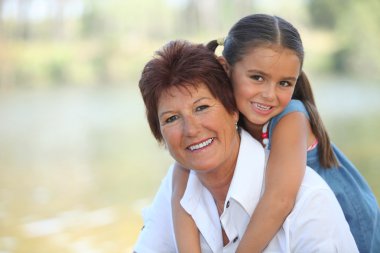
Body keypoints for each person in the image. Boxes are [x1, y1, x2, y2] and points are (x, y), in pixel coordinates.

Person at [171, 14, 380, 253]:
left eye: (284, 83)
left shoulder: (290, 116)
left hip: (349, 221)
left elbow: (279, 200)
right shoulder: (223, 114)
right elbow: (181, 189)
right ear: (225, 68)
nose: (270, 95)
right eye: (257, 78)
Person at [133, 39, 358, 252]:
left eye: (202, 107)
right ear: (159, 133)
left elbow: (281, 199)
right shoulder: (176, 187)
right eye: (171, 118)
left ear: (233, 109)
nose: (190, 130)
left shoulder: (308, 201)